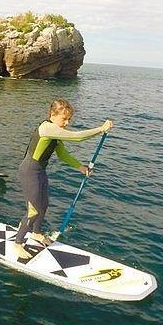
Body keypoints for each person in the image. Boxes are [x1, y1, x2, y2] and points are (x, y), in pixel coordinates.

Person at [12, 99, 113, 260]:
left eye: (69, 119)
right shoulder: (47, 128)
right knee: (33, 210)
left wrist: (80, 167)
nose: (67, 123)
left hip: (39, 171)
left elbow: (62, 154)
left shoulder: (55, 132)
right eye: (64, 119)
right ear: (53, 115)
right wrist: (100, 129)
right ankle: (17, 243)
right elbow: (76, 137)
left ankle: (36, 233)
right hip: (29, 172)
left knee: (44, 205)